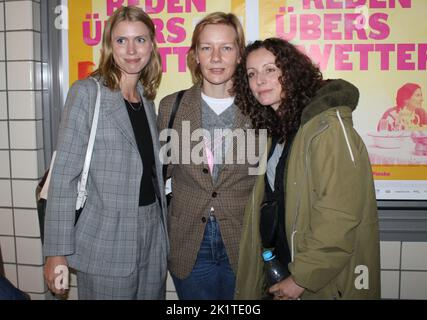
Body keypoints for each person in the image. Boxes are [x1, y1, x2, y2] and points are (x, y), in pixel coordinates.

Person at [233, 38, 381, 300]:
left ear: (290, 72)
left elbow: (340, 215)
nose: (260, 81)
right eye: (252, 74)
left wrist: (301, 278)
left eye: (270, 70)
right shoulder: (278, 131)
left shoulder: (327, 128)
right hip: (282, 267)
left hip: (316, 281)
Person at [43, 6, 168, 300]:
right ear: (109, 47)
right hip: (105, 241)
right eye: (121, 40)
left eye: (140, 39)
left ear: (152, 45)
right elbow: (64, 177)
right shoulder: (87, 93)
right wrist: (56, 253)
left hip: (152, 236)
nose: (132, 50)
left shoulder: (147, 100)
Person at [157, 12, 257, 300]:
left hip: (243, 240)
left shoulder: (258, 109)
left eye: (226, 48)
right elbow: (159, 175)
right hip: (189, 242)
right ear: (195, 56)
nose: (216, 57)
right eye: (206, 48)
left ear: (239, 55)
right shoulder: (171, 107)